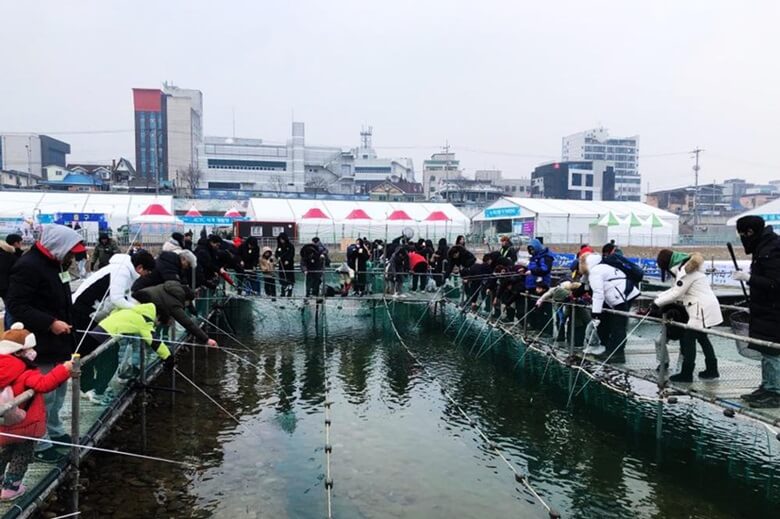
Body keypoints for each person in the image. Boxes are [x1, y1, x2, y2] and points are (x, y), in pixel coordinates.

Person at [5, 224, 85, 463]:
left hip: (60, 342)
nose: (74, 255)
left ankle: (55, 429)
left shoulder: (56, 263)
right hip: (41, 343)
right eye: (72, 250)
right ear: (59, 246)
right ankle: (39, 441)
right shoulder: (28, 266)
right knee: (42, 395)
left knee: (59, 392)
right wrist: (50, 323)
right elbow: (17, 305)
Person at [0, 323, 73, 500]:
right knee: (21, 457)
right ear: (20, 351)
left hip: (2, 427)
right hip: (25, 427)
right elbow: (45, 384)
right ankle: (11, 488)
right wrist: (65, 369)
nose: (33, 352)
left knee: (3, 455)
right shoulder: (25, 371)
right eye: (30, 348)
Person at [71, 251, 155, 401]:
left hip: (93, 315)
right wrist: (139, 311)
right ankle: (88, 388)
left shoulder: (126, 272)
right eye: (147, 272)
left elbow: (126, 297)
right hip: (81, 313)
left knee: (107, 350)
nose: (145, 276)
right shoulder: (121, 270)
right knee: (87, 351)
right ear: (140, 267)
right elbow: (117, 299)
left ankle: (96, 386)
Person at [732, 216, 780, 408]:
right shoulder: (764, 246)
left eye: (742, 234)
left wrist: (749, 278)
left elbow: (775, 283)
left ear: (750, 232)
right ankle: (768, 387)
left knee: (773, 351)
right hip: (764, 311)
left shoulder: (772, 249)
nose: (743, 238)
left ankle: (776, 392)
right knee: (765, 350)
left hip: (774, 311)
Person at [654, 249, 722, 382]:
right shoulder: (689, 267)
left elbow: (677, 293)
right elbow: (676, 289)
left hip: (699, 308)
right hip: (707, 306)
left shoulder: (685, 271)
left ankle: (687, 373)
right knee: (703, 338)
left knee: (689, 340)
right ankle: (712, 369)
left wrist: (656, 304)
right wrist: (659, 297)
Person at [580, 252, 640, 364]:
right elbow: (584, 283)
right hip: (623, 295)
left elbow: (598, 293)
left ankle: (618, 355)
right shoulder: (600, 267)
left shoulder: (595, 272)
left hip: (621, 298)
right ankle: (611, 351)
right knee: (614, 325)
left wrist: (595, 313)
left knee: (618, 326)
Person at [133, 281, 218, 349]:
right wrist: (206, 339)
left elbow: (162, 306)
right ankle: (137, 362)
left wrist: (194, 312)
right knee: (135, 339)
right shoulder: (174, 303)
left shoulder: (171, 289)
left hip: (134, 299)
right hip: (139, 309)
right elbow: (188, 323)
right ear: (186, 299)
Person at [0, 234, 24, 329]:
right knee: (11, 309)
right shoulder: (9, 256)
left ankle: (8, 330)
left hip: (3, 287)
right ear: (16, 243)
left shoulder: (4, 254)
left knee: (9, 308)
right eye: (20, 243)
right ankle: (11, 331)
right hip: (7, 287)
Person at [275, 232, 295, 297]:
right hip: (281, 265)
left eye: (282, 239)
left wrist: (287, 260)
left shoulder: (290, 246)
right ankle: (283, 292)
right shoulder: (279, 246)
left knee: (289, 279)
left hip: (289, 265)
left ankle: (290, 292)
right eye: (280, 239)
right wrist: (277, 257)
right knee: (282, 278)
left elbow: (291, 254)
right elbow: (276, 253)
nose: (281, 241)